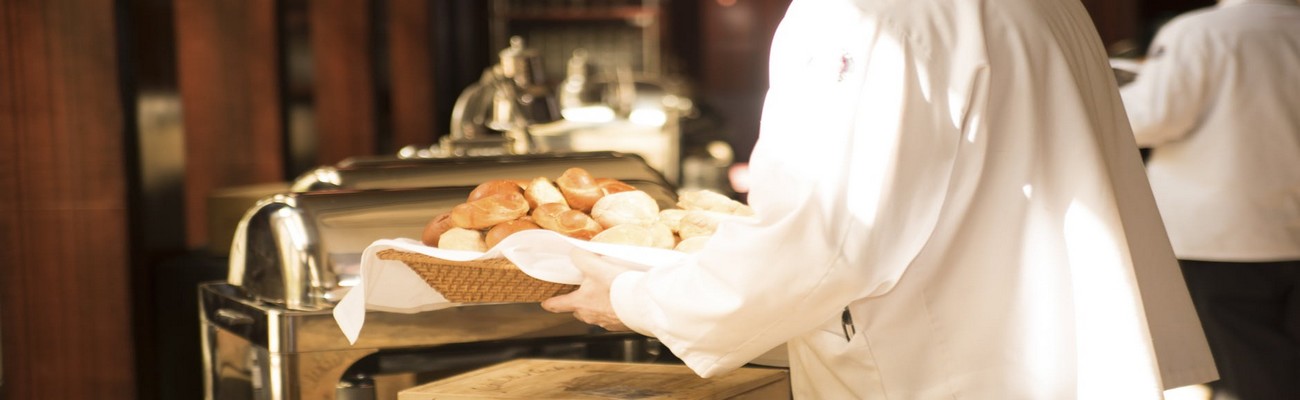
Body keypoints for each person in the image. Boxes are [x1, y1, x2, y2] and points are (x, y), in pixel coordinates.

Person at [541, 0, 1219, 397]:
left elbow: (829, 242)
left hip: (945, 373)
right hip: (1055, 356)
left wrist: (635, 299)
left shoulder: (862, 15)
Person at [1119, 1, 1300, 399]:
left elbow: (1148, 117)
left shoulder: (1198, 32)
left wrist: (1117, 91)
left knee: (1245, 371)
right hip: (1287, 227)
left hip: (1221, 235)